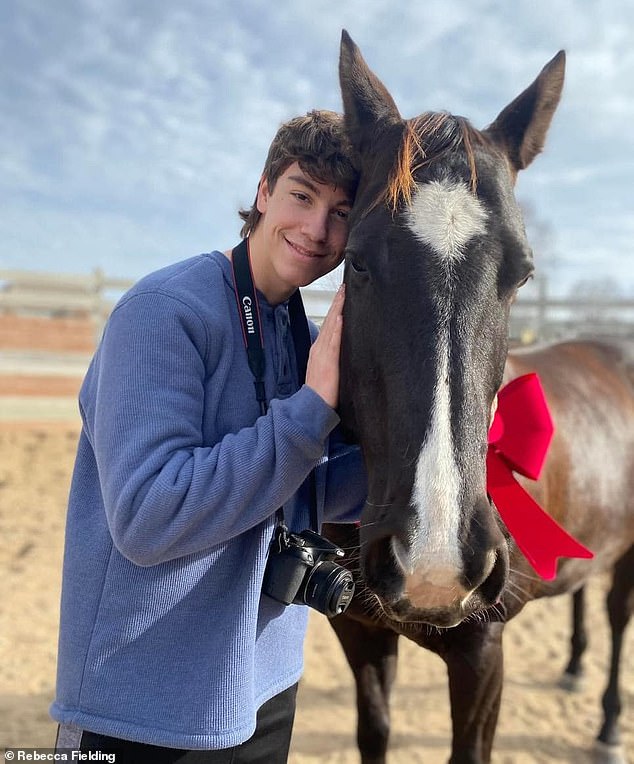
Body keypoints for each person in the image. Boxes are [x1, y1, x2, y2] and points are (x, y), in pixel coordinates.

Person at [50, 109, 366, 763]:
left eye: (340, 213)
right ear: (263, 192)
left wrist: (446, 454)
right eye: (302, 196)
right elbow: (148, 518)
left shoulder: (301, 335)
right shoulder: (165, 312)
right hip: (142, 704)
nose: (316, 228)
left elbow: (297, 488)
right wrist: (312, 408)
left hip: (264, 682)